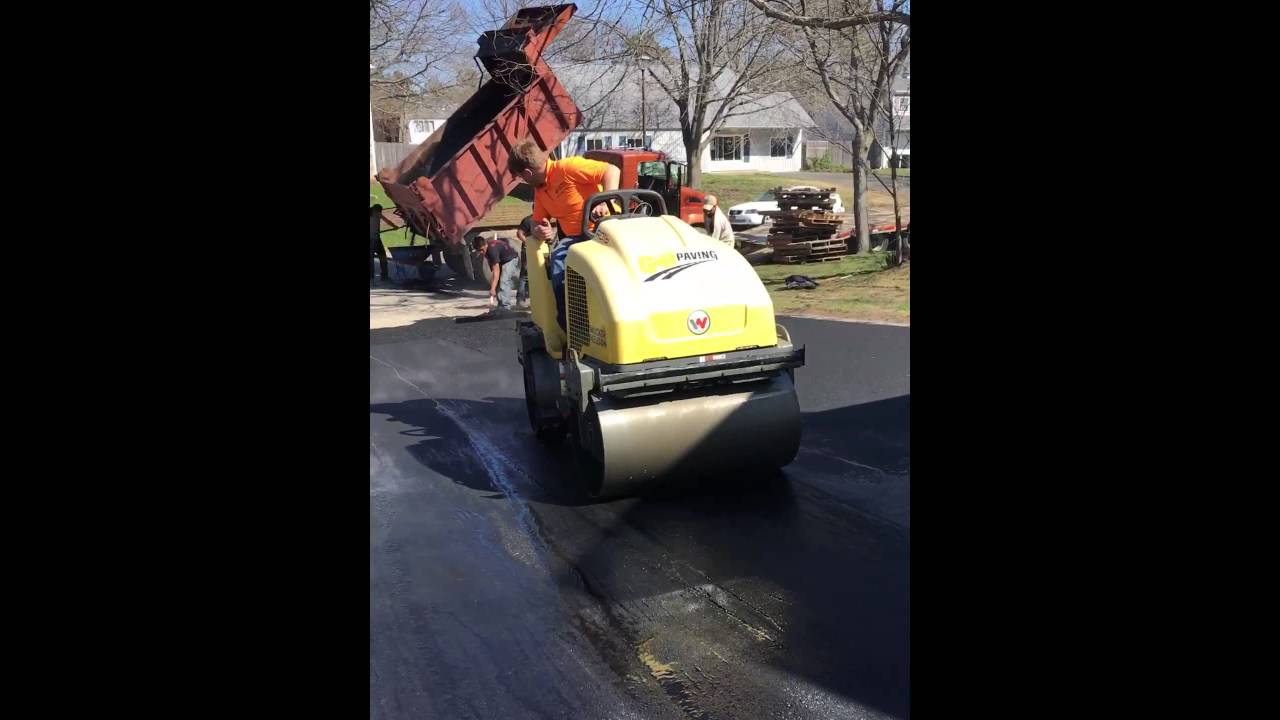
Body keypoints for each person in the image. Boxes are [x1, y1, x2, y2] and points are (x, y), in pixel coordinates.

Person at [507, 138, 620, 330]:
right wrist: (539, 230)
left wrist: (604, 202)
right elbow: (535, 223)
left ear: (527, 172)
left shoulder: (567, 168)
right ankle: (572, 327)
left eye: (521, 177)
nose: (524, 181)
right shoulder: (541, 192)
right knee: (558, 263)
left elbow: (612, 171)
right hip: (576, 240)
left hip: (605, 230)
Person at [472, 233, 520, 310]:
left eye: (481, 250)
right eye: (479, 250)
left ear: (485, 244)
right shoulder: (486, 250)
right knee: (497, 282)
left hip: (511, 259)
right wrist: (494, 285)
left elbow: (496, 272)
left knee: (504, 280)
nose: (481, 252)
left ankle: (505, 306)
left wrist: (493, 289)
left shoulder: (492, 250)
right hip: (502, 260)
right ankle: (500, 305)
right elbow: (493, 270)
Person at [515, 215, 534, 308]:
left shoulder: (542, 219)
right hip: (528, 251)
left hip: (539, 251)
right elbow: (519, 233)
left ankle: (535, 300)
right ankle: (520, 299)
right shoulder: (528, 220)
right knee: (525, 275)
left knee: (538, 275)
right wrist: (529, 243)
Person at [370, 205, 390, 281]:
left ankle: (371, 276)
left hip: (375, 238)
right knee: (382, 257)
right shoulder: (377, 213)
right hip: (375, 239)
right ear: (376, 210)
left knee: (371, 259)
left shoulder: (373, 212)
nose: (381, 212)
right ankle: (384, 276)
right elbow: (387, 221)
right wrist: (395, 227)